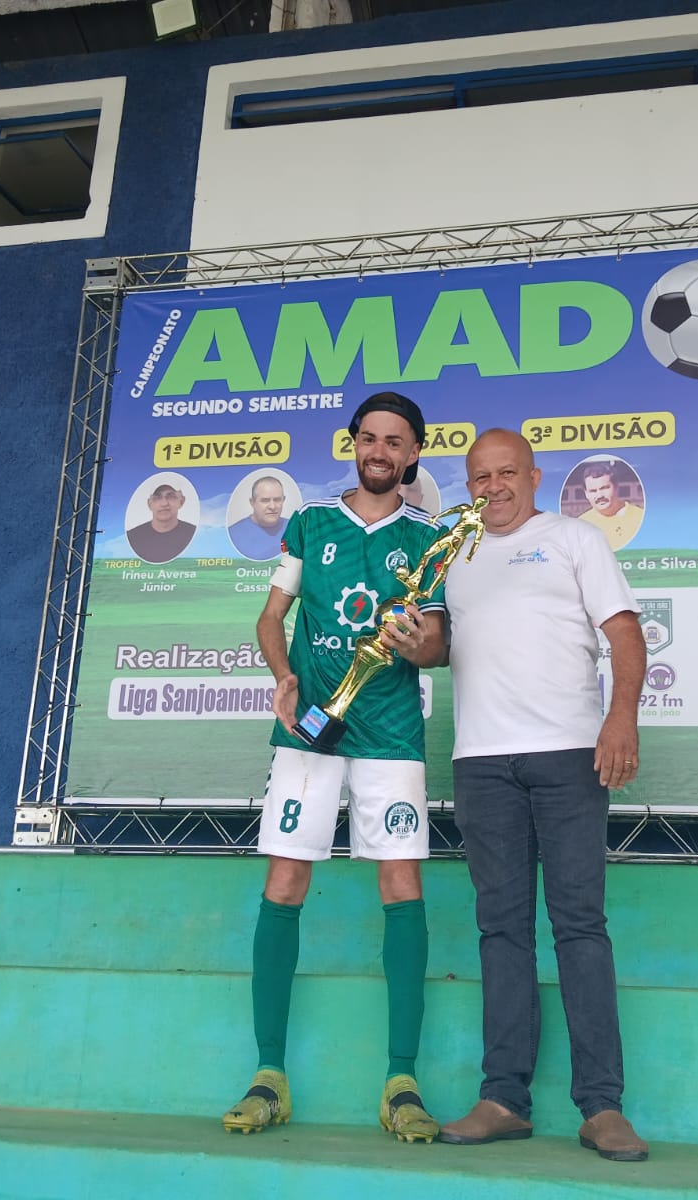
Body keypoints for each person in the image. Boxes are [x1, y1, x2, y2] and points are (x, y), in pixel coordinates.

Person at [411, 429, 650, 1162]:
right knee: (501, 932)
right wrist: (411, 641)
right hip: (481, 764)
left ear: (535, 475)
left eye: (505, 472)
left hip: (570, 756)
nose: (492, 487)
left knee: (579, 925)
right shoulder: (456, 553)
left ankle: (601, 1107)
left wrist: (621, 718)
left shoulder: (575, 540)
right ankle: (504, 1098)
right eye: (479, 476)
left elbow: (626, 634)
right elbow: (440, 649)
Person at [223, 392, 448, 1144]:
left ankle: (402, 1080)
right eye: (369, 438)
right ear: (354, 445)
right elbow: (269, 616)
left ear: (414, 454)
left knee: (402, 883)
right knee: (285, 881)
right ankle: (267, 1077)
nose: (380, 450)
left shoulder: (430, 539)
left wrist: (413, 643)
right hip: (309, 730)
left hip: (389, 734)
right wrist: (283, 676)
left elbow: (439, 643)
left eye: (395, 441)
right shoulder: (311, 520)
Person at [575, 460, 644, 551]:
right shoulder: (580, 526)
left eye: (604, 488)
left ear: (616, 487)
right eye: (593, 491)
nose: (599, 495)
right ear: (586, 494)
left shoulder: (640, 517)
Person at [127, 482, 196, 563]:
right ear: (149, 504)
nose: (164, 503)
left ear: (181, 501)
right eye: (157, 497)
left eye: (171, 497)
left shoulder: (194, 534)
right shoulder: (132, 537)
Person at [229, 474, 290, 560]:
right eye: (265, 500)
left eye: (277, 500)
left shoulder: (295, 529)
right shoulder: (233, 534)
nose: (272, 506)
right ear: (252, 502)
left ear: (283, 500)